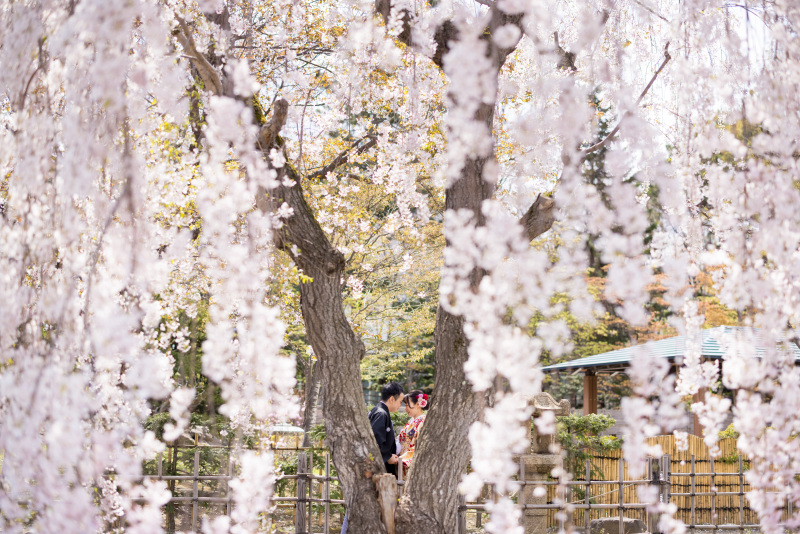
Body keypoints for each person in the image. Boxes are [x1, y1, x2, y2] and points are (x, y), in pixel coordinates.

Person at [368, 382, 404, 477]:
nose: (400, 405)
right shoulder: (381, 413)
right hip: (380, 466)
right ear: (392, 399)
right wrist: (388, 456)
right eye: (400, 402)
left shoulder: (379, 411)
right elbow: (376, 439)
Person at [397, 390, 429, 476]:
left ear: (418, 404)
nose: (405, 408)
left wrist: (402, 459)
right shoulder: (411, 421)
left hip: (409, 464)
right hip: (401, 462)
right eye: (405, 405)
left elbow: (419, 445)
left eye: (407, 405)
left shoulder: (423, 421)